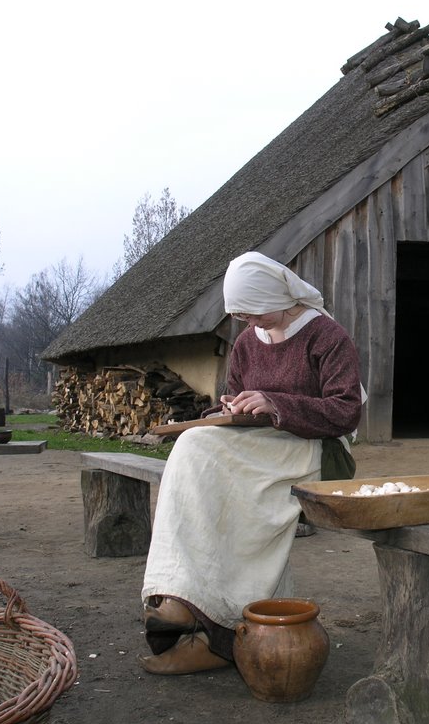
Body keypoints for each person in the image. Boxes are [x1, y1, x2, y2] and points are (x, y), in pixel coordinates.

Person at [138, 251, 363, 675]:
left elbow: (346, 411)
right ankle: (188, 607)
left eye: (255, 313)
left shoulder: (327, 338)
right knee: (194, 450)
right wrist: (228, 407)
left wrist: (274, 402)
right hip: (258, 447)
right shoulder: (245, 344)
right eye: (242, 317)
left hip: (316, 450)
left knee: (198, 453)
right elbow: (238, 401)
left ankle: (208, 623)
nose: (250, 324)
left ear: (277, 294)